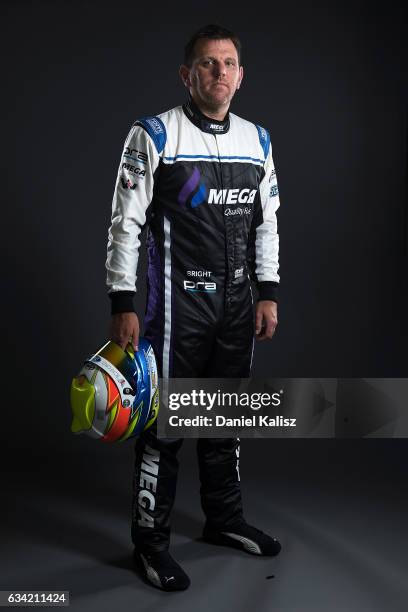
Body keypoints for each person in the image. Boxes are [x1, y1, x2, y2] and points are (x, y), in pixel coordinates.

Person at [105, 24, 281, 591]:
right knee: (164, 428)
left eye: (229, 63)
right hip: (174, 310)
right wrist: (123, 300)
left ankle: (223, 521)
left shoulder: (259, 141)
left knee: (224, 419)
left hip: (237, 308)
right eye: (208, 64)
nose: (220, 73)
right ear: (188, 74)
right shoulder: (153, 134)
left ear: (241, 76)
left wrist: (269, 292)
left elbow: (267, 223)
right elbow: (124, 222)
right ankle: (151, 544)